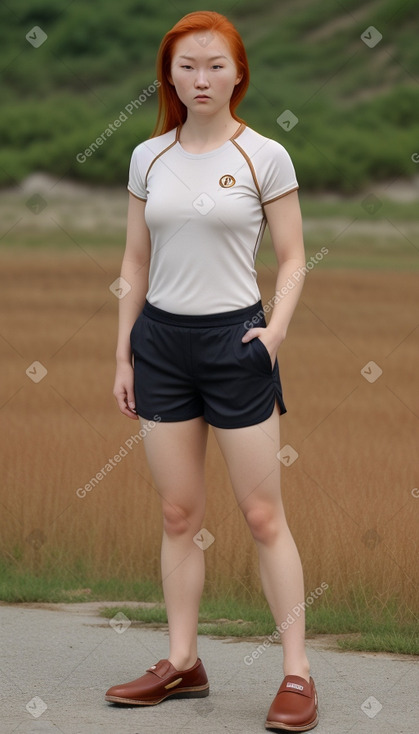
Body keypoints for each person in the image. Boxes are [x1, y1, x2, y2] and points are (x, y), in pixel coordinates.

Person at [106, 10, 319, 732]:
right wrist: (123, 353)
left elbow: (291, 256)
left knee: (262, 516)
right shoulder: (148, 157)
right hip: (161, 346)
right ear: (168, 73)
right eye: (187, 65)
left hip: (237, 344)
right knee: (177, 515)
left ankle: (296, 672)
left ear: (238, 72)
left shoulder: (264, 154)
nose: (201, 78)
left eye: (215, 65)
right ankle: (181, 662)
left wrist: (274, 334)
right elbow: (134, 263)